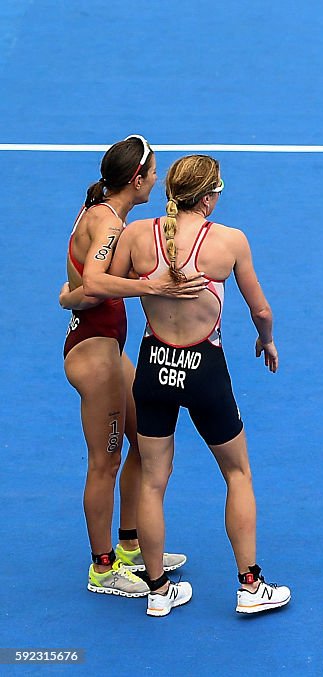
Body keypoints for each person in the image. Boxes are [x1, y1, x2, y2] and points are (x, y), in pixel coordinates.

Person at [104, 154, 290, 617]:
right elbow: (261, 311)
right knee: (237, 473)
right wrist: (266, 342)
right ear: (209, 198)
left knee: (152, 481)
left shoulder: (137, 235)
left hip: (154, 365)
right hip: (204, 369)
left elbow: (98, 285)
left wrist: (150, 287)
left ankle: (158, 590)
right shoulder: (228, 242)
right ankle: (250, 585)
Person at [60, 135, 201, 598]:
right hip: (95, 356)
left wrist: (69, 297)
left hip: (108, 348)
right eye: (154, 172)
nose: (157, 180)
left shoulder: (102, 214)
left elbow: (80, 287)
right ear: (136, 180)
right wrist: (155, 286)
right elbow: (98, 282)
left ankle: (129, 545)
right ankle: (102, 569)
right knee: (106, 460)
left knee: (144, 438)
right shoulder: (110, 225)